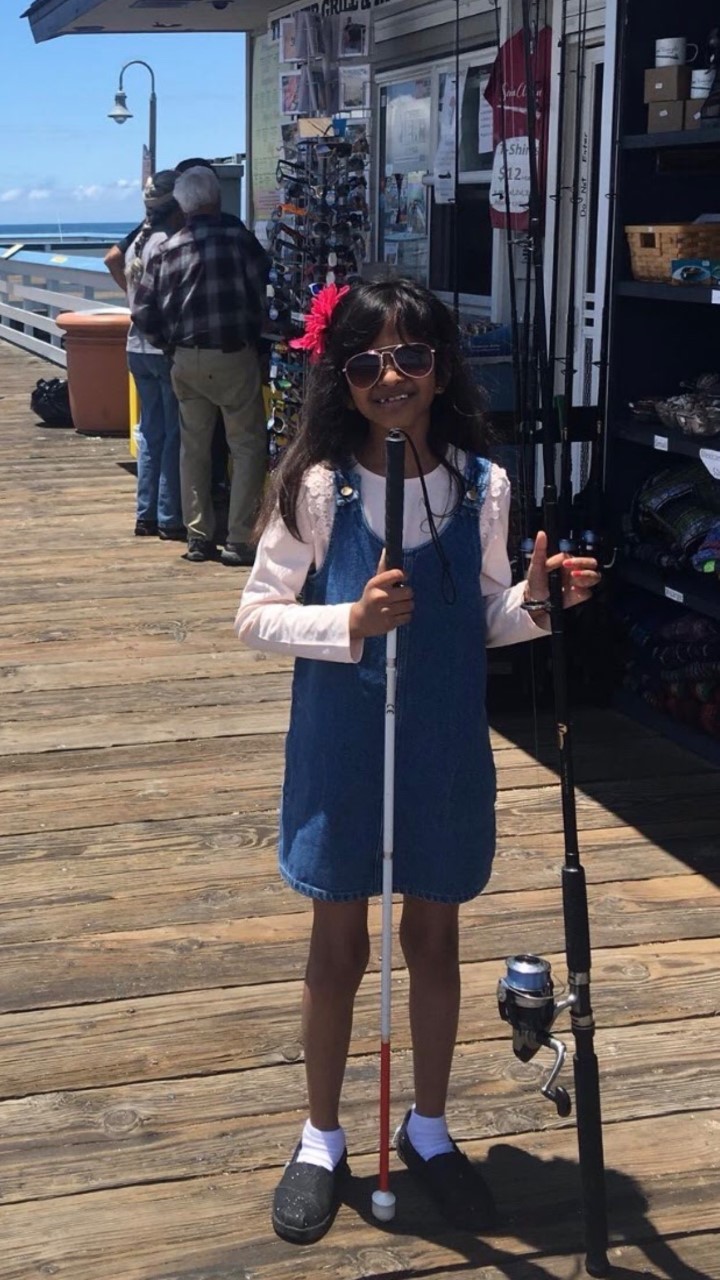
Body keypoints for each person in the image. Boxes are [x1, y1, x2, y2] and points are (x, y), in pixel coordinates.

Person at [234, 279, 601, 1245]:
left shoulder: (482, 484)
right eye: (365, 363)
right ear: (341, 378)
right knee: (337, 949)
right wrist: (349, 619)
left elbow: (486, 618)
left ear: (442, 366)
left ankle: (427, 1127)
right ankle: (321, 1138)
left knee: (434, 943)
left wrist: (538, 603)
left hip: (440, 743)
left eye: (410, 357)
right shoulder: (316, 485)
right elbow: (256, 615)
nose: (390, 378)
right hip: (342, 746)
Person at [131, 166, 270, 566]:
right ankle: (240, 539)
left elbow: (143, 312)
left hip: (185, 358)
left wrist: (169, 346)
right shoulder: (238, 239)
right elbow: (264, 284)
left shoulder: (166, 249)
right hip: (232, 354)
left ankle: (198, 536)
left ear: (182, 204)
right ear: (217, 199)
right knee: (245, 446)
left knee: (193, 448)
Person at [124, 170, 185, 539]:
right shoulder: (168, 242)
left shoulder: (137, 244)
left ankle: (145, 513)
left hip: (135, 346)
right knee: (174, 433)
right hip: (162, 348)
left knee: (150, 432)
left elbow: (111, 260)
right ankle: (168, 516)